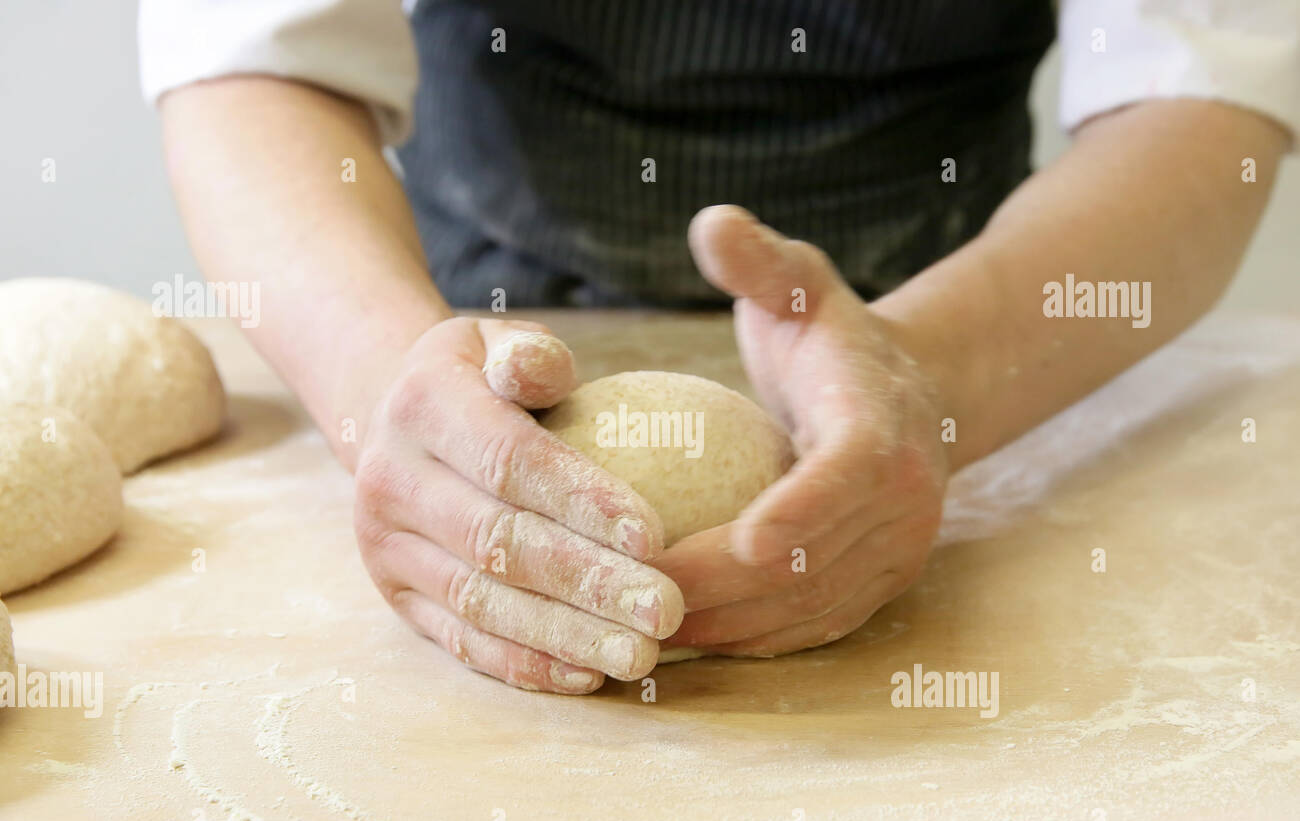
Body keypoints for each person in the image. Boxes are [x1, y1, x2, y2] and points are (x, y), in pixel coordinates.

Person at [139, 1, 1297, 693]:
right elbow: (251, 56)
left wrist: (927, 376)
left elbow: (1199, 94)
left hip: (966, 291)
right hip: (466, 293)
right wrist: (384, 380)